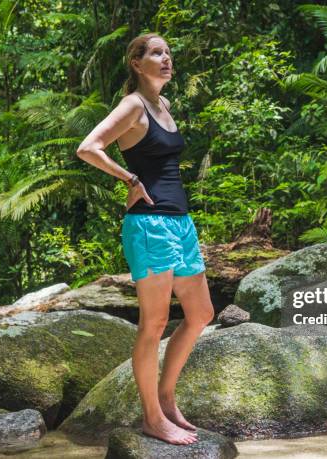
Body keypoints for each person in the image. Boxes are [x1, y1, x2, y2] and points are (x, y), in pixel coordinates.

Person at [75, 32, 214, 446]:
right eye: (156, 53)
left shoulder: (163, 105)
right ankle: (152, 418)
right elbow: (89, 147)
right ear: (137, 64)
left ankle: (167, 401)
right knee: (153, 324)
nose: (166, 59)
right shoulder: (133, 105)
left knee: (201, 314)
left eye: (168, 52)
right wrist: (129, 178)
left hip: (180, 223)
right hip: (149, 225)